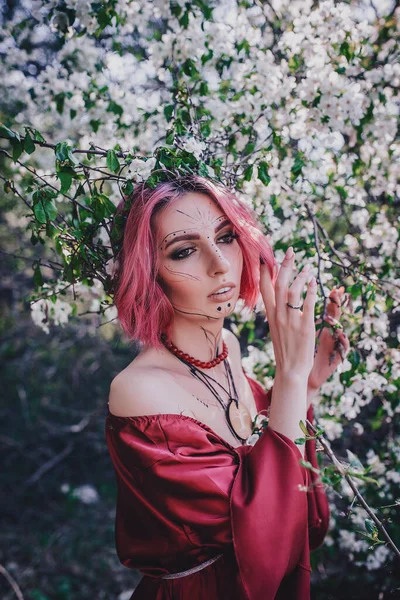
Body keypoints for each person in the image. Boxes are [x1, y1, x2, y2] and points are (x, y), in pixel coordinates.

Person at [105, 175, 346, 599]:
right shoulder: (140, 394)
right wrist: (287, 376)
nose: (220, 264)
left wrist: (304, 386)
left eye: (226, 236)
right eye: (184, 251)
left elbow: (301, 519)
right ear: (149, 274)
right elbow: (262, 540)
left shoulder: (228, 348)